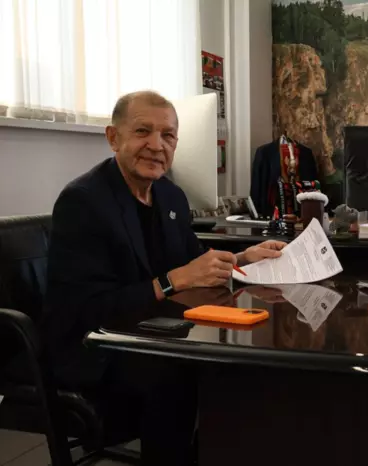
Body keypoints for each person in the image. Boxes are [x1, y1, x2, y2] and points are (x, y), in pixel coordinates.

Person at [44, 90, 286, 465]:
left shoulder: (170, 196)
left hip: (152, 333)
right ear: (113, 138)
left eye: (168, 135)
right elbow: (88, 310)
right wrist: (171, 282)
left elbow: (193, 261)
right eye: (143, 131)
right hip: (94, 350)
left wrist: (242, 257)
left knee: (236, 367)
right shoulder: (83, 202)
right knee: (180, 374)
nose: (157, 146)